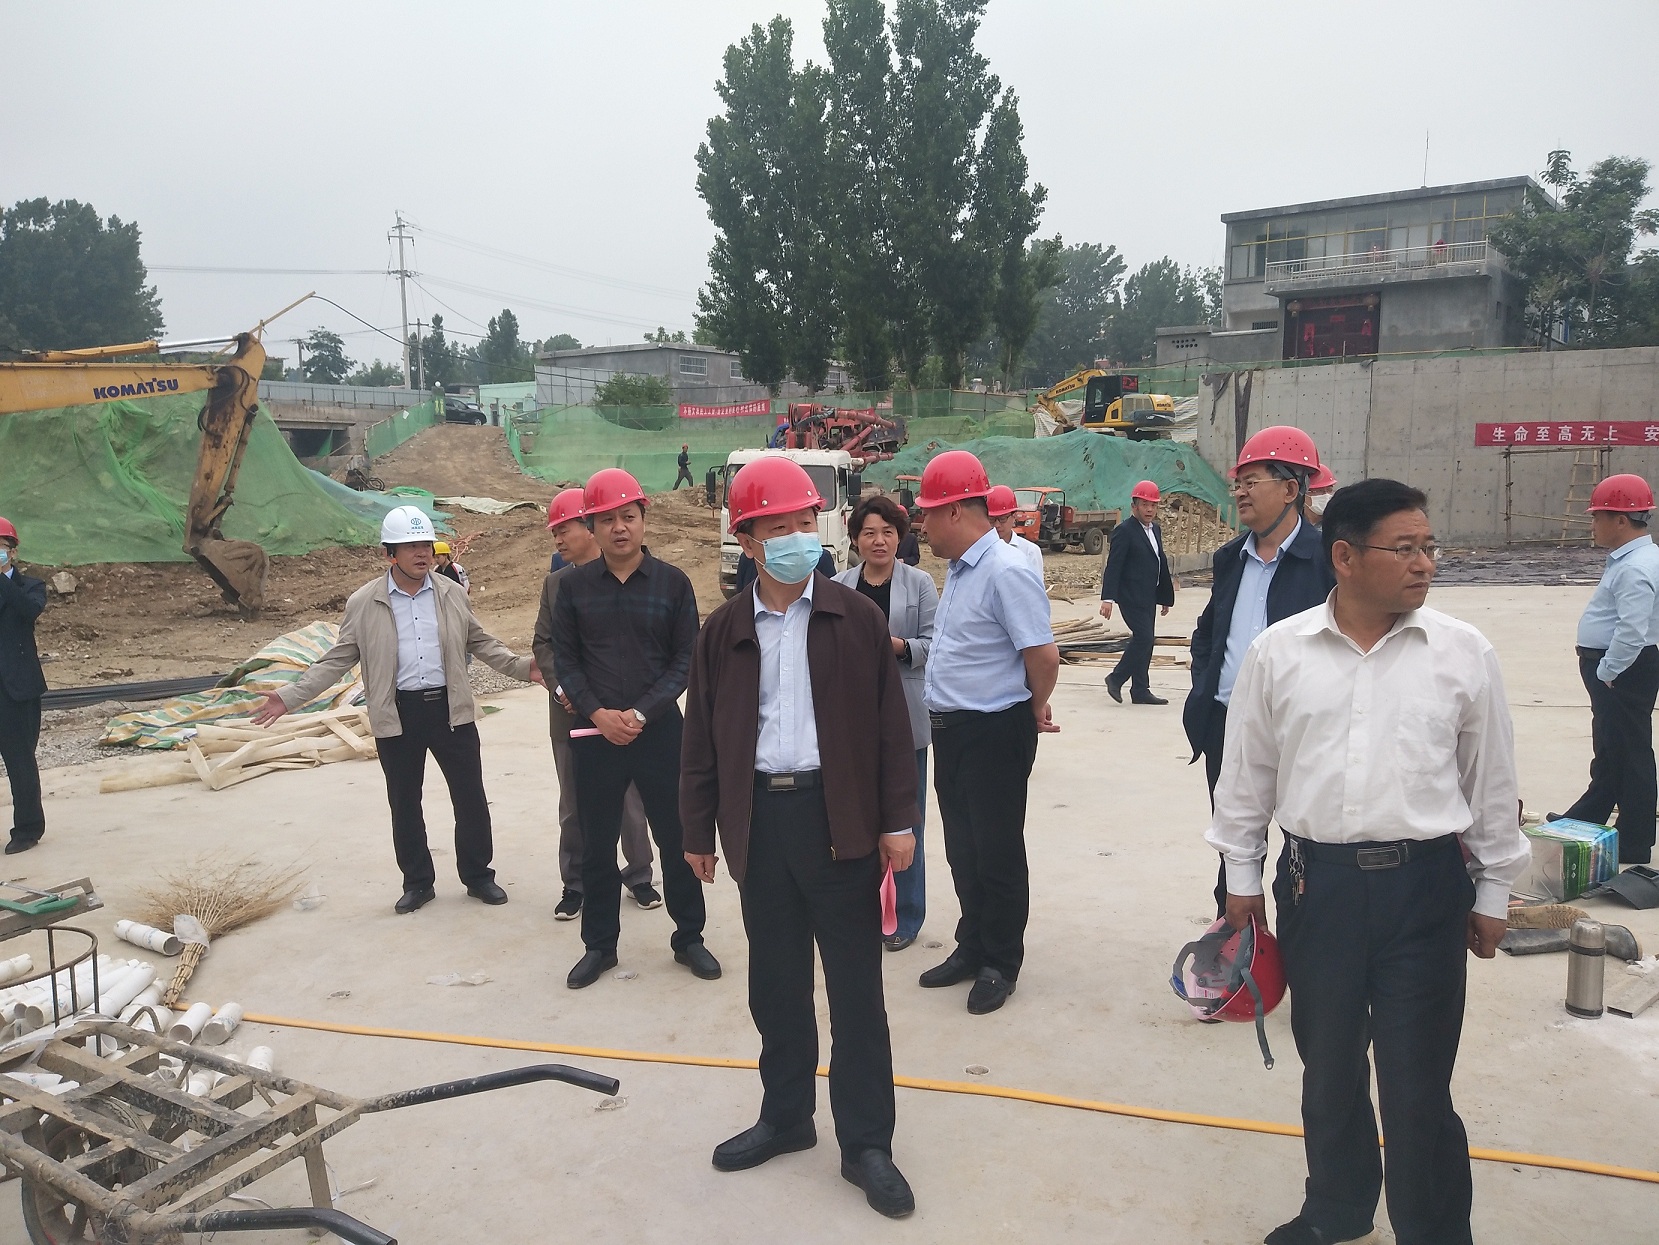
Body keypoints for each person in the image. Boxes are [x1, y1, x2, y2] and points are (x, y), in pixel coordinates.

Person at [1210, 478, 1529, 1245]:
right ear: (1345, 557)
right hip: (1316, 886)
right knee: (1328, 1068)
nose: (1424, 563)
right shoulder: (1278, 652)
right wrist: (1241, 879)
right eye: (1405, 548)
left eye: (1429, 546)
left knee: (1417, 1083)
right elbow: (1245, 775)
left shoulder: (1461, 651)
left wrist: (1493, 889)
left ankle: (1433, 1228)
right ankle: (1338, 1206)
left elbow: (1490, 783)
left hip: (1424, 889)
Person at [682, 457, 918, 1219]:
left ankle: (866, 1142)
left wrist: (897, 821)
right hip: (760, 822)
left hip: (838, 821)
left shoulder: (856, 619)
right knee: (776, 984)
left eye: (802, 522)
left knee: (855, 991)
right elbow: (700, 739)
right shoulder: (721, 631)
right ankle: (786, 1116)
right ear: (747, 540)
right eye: (775, 526)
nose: (793, 537)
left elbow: (890, 730)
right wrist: (697, 829)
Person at [253, 506, 543, 913]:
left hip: (450, 711)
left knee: (471, 799)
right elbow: (337, 660)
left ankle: (479, 876)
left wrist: (522, 667)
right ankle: (418, 883)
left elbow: (480, 642)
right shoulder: (364, 603)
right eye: (411, 547)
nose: (422, 553)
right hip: (399, 714)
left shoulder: (451, 593)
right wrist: (289, 696)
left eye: (426, 545)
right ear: (390, 553)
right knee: (405, 803)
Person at [551, 468, 719, 989]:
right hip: (595, 735)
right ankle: (600, 946)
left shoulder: (673, 584)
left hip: (661, 732)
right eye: (607, 520)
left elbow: (684, 660)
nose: (619, 528)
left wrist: (642, 713)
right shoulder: (572, 588)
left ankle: (689, 937)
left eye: (628, 516)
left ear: (644, 519)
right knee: (597, 843)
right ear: (593, 527)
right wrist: (598, 714)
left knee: (677, 837)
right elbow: (566, 662)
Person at [914, 451, 1059, 1014]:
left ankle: (1000, 960)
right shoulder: (960, 571)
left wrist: (1031, 710)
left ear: (955, 511)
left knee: (996, 852)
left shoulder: (1006, 570)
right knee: (963, 848)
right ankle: (971, 945)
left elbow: (1042, 656)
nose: (922, 524)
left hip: (994, 729)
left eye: (928, 513)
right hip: (951, 730)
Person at [1184, 426, 1334, 916]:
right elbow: (1208, 632)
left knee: (1304, 851)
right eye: (1238, 483)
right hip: (1227, 725)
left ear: (1291, 489)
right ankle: (1236, 943)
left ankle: (1298, 941)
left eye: (1251, 482)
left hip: (1302, 733)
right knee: (1234, 848)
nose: (1239, 493)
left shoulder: (1328, 561)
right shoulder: (1231, 558)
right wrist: (1206, 686)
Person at [532, 489, 660, 921]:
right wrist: (561, 688)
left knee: (631, 801)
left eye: (563, 528)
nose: (557, 539)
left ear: (588, 528)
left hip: (623, 714)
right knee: (574, 803)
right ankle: (576, 883)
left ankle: (639, 875)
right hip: (571, 714)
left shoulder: (636, 577)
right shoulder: (557, 584)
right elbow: (544, 643)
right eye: (554, 532)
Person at [833, 495, 937, 950]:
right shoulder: (838, 585)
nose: (879, 541)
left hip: (905, 714)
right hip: (850, 717)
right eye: (869, 533)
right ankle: (861, 909)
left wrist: (895, 646)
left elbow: (934, 644)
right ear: (855, 539)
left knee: (905, 820)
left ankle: (906, 916)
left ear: (900, 538)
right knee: (854, 818)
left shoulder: (920, 583)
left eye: (888, 533)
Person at [1557, 474, 1659, 865]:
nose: (1593, 524)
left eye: (1597, 516)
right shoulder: (1635, 559)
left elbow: (1632, 630)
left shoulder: (1635, 568)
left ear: (1620, 519)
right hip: (1620, 666)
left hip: (1621, 669)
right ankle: (1587, 818)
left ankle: (1634, 841)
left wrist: (1609, 670)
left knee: (1629, 752)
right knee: (1613, 747)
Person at [1099, 480, 1175, 706]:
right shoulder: (1124, 531)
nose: (1149, 510)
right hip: (1130, 596)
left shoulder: (1156, 530)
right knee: (1144, 638)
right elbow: (1114, 566)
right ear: (1134, 507)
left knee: (1147, 641)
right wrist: (1107, 599)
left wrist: (1164, 596)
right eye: (1145, 505)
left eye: (1153, 505)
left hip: (1149, 595)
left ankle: (1140, 689)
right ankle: (1116, 678)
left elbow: (1159, 563)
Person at [0, 519, 47, 855]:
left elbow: (28, 611)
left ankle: (28, 829)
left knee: (20, 762)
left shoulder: (31, 586)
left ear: (13, 552)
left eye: (1, 547)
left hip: (17, 690)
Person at [986, 485, 1044, 582]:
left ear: (1014, 516)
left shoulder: (1029, 551)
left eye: (1002, 519)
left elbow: (1036, 587)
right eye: (992, 519)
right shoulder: (979, 550)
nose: (997, 525)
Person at [735, 545, 836, 595]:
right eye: (780, 527)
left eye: (805, 523)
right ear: (747, 543)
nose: (795, 534)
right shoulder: (749, 560)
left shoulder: (822, 559)